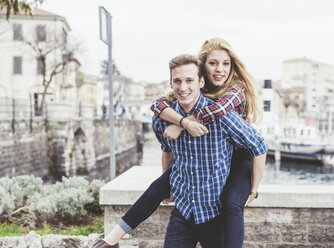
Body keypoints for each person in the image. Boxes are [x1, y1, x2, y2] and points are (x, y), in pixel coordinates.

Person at [92, 39, 267, 248]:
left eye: (225, 64)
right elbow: (163, 137)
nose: (219, 69)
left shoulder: (232, 94)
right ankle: (109, 241)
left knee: (232, 204)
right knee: (157, 187)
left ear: (200, 81)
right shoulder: (167, 113)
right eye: (213, 63)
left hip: (237, 161)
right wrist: (180, 121)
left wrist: (253, 190)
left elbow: (226, 120)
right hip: (184, 211)